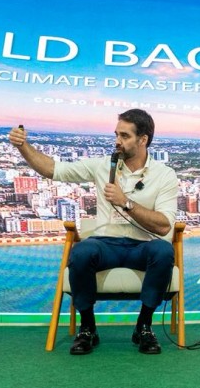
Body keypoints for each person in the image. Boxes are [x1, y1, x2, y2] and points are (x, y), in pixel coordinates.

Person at [9, 109, 178, 355]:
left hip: (143, 245)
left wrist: (126, 203)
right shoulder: (103, 166)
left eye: (125, 135)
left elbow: (164, 225)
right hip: (105, 244)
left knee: (164, 250)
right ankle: (88, 327)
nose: (117, 141)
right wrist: (23, 146)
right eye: (116, 134)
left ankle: (144, 326)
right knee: (81, 251)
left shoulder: (164, 175)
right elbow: (53, 170)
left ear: (143, 139)